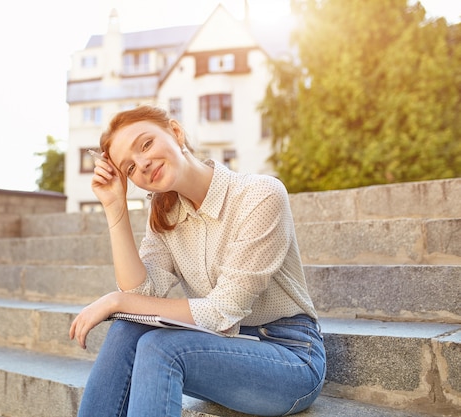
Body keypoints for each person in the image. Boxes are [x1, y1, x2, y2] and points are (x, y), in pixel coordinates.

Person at [69, 105, 326, 417]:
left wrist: (114, 301)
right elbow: (140, 296)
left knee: (158, 348)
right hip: (217, 347)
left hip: (291, 358)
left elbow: (222, 311)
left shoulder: (259, 194)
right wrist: (114, 206)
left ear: (176, 133)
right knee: (127, 328)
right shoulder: (165, 216)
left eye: (146, 144)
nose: (144, 164)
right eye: (130, 169)